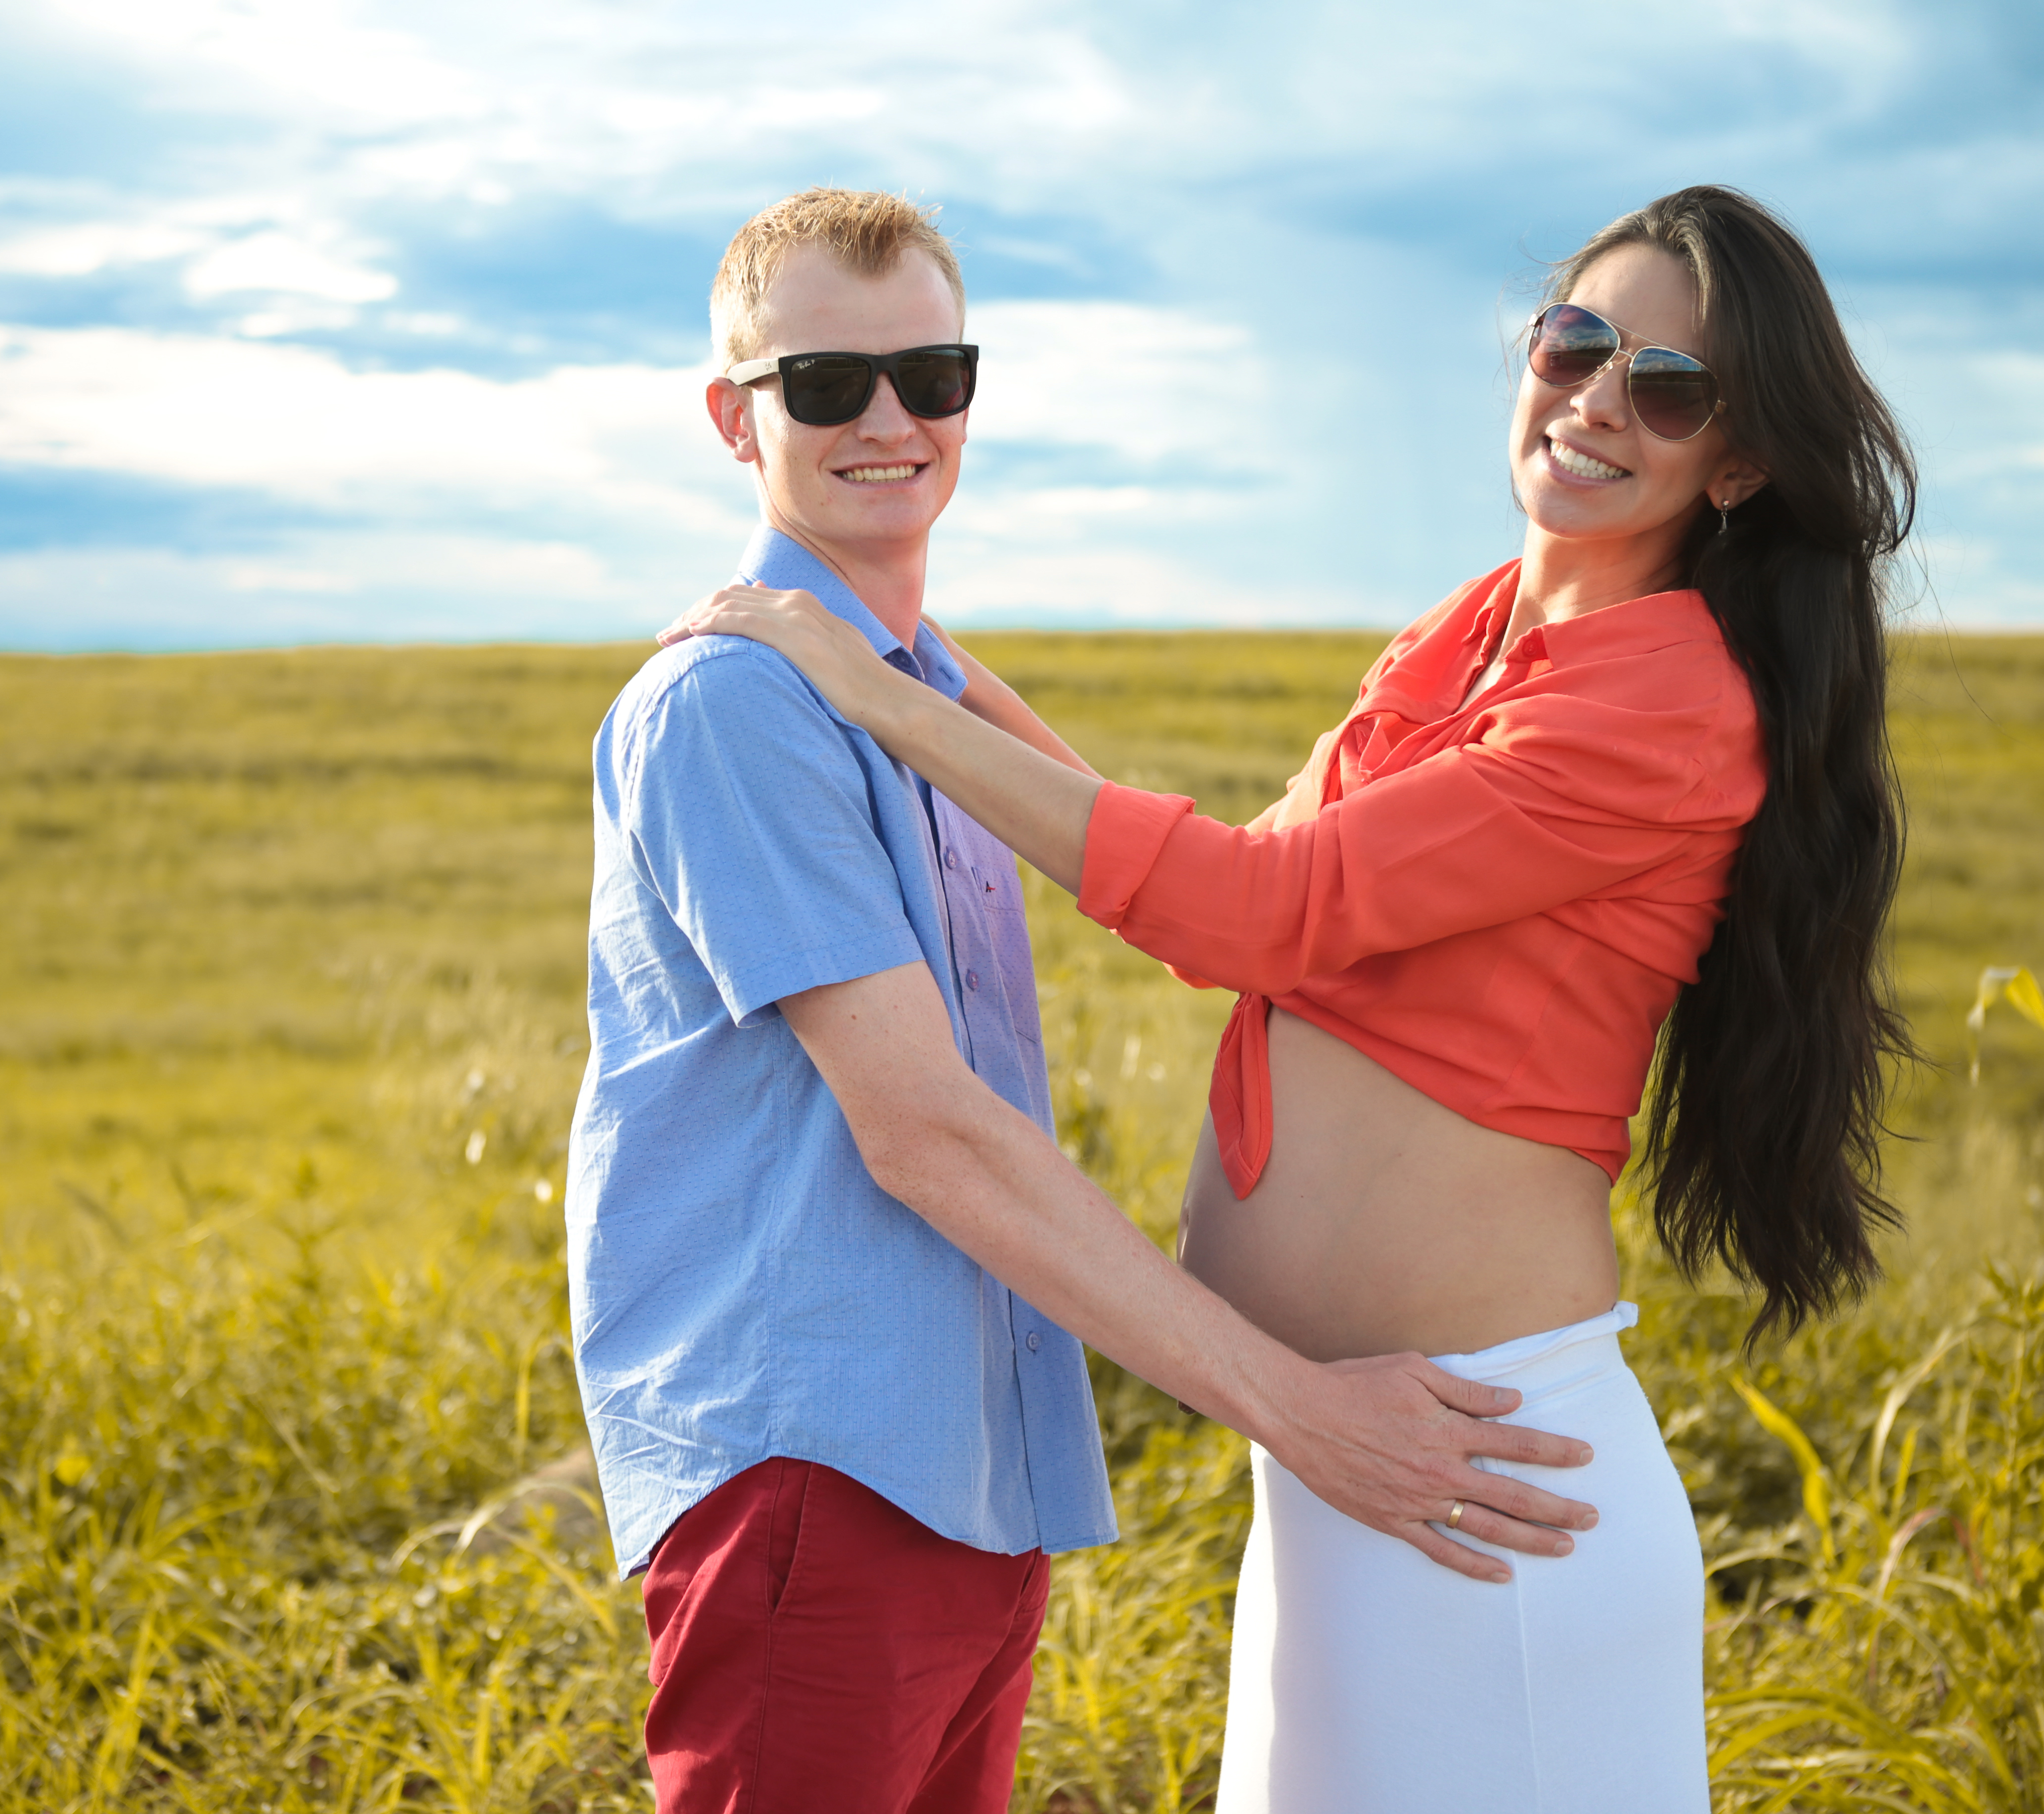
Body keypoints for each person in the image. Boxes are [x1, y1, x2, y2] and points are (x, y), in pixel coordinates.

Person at [661, 184, 1918, 1812]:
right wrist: (915, 660)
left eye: (1669, 389)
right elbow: (1225, 897)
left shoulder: (1667, 698)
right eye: (1578, 343)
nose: (1602, 400)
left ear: (1735, 463)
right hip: (1343, 1464)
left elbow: (1262, 911)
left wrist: (879, 692)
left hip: (1482, 1475)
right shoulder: (1466, 634)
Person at [567, 187, 1602, 1814]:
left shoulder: (908, 703)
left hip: (971, 1476)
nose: (891, 420)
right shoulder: (739, 706)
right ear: (733, 418)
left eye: (933, 374)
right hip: (814, 1478)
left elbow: (1194, 884)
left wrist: (929, 663)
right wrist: (1302, 1413)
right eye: (827, 387)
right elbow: (928, 1138)